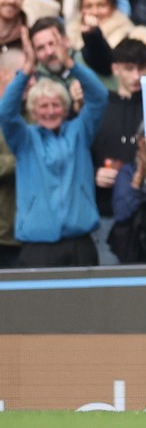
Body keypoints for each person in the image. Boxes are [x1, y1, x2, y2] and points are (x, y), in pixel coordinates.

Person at [0, 33, 107, 267]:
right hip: (37, 247)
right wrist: (24, 73)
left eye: (56, 105)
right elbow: (6, 113)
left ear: (66, 107)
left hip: (80, 244)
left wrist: (70, 64)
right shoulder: (24, 138)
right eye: (43, 106)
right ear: (34, 111)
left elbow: (99, 97)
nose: (50, 111)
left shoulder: (80, 132)